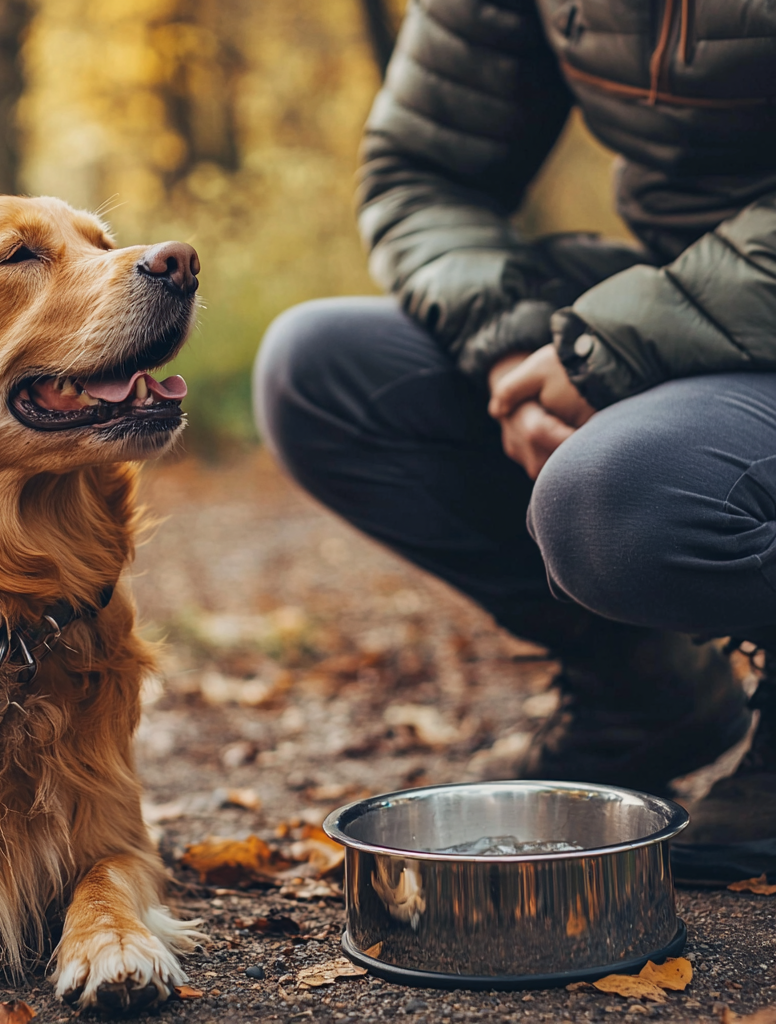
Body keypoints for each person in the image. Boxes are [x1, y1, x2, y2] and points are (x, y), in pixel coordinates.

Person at [253, 0, 776, 884]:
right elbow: (419, 169)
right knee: (323, 370)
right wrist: (510, 343)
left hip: (698, 313)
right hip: (692, 300)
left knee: (618, 500)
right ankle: (642, 686)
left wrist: (614, 345)